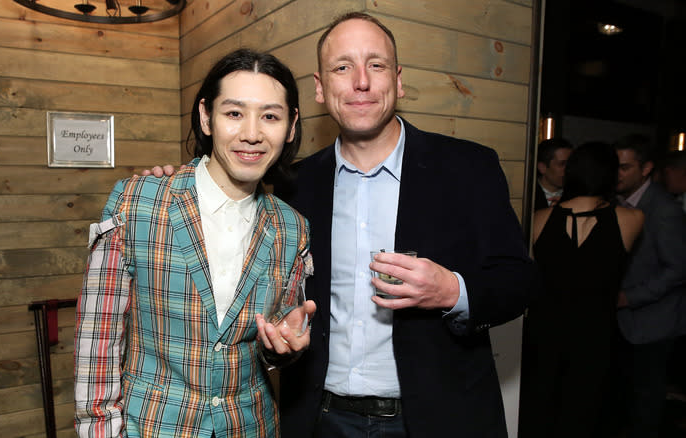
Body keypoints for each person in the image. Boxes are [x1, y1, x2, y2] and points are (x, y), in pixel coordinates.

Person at [145, 12, 537, 438]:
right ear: (320, 88)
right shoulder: (290, 185)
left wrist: (452, 291)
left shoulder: (469, 167)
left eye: (377, 65)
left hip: (440, 418)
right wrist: (176, 185)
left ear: (398, 80)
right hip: (320, 420)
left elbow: (519, 282)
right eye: (343, 67)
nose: (361, 81)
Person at [74, 48, 316, 438]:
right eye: (234, 113)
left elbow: (275, 344)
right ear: (206, 117)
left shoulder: (293, 228)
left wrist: (281, 349)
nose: (252, 133)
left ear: (290, 126)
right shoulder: (139, 201)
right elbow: (97, 340)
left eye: (270, 116)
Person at [520, 142, 644, 437]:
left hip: (545, 333)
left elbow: (533, 278)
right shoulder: (632, 219)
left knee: (542, 414)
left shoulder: (539, 219)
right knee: (585, 416)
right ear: (609, 176)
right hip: (595, 336)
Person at [611, 134, 686, 438]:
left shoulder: (664, 209)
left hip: (655, 321)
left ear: (646, 169)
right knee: (625, 393)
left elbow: (678, 269)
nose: (617, 173)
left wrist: (630, 297)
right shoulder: (615, 202)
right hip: (623, 322)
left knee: (647, 397)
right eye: (614, 166)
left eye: (625, 167)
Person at [534, 138, 573, 210]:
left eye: (570, 163)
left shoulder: (574, 195)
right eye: (562, 164)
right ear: (542, 167)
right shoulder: (529, 196)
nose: (568, 169)